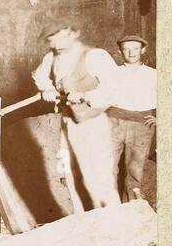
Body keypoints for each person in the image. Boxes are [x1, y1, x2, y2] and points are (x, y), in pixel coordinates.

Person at [31, 25, 120, 212]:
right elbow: (39, 75)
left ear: (74, 34)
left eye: (61, 38)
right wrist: (47, 88)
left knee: (99, 176)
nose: (57, 44)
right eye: (52, 40)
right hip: (69, 120)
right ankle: (85, 222)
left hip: (93, 122)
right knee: (72, 174)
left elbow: (114, 88)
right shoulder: (51, 57)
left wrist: (85, 96)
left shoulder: (94, 55)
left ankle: (113, 221)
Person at [107, 34, 157, 202]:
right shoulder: (113, 73)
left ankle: (131, 209)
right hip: (114, 123)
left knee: (135, 170)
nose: (131, 52)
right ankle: (110, 207)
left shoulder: (153, 74)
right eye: (126, 49)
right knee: (108, 167)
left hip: (141, 126)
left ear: (143, 50)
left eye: (135, 48)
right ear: (120, 52)